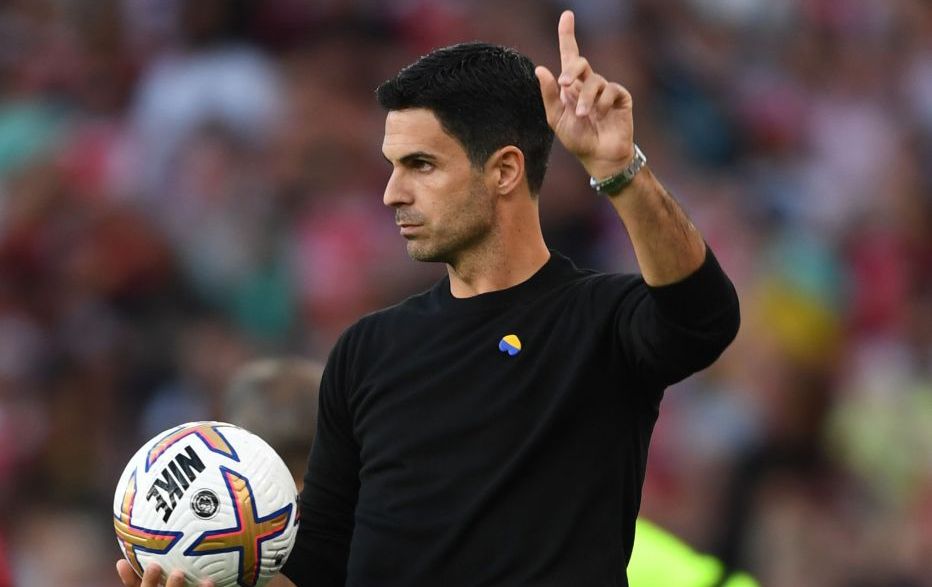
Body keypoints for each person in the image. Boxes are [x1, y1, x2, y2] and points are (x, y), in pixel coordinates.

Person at [117, 10, 739, 587]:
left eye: (420, 165)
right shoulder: (367, 351)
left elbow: (703, 317)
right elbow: (323, 566)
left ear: (504, 171)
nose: (391, 193)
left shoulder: (598, 319)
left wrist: (619, 169)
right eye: (392, 165)